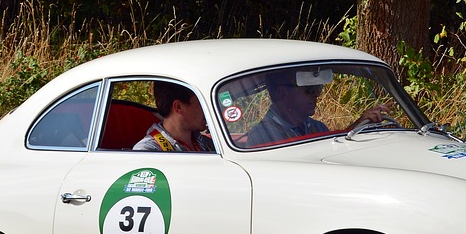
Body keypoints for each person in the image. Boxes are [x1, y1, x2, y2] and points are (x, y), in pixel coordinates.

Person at [245, 73, 391, 146]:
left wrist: (363, 121)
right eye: (309, 89)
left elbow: (334, 150)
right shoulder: (263, 136)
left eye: (318, 88)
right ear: (283, 93)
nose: (316, 95)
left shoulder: (316, 127)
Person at [132, 81, 215, 152]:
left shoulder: (209, 143)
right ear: (178, 107)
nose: (206, 109)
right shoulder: (147, 151)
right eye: (201, 103)